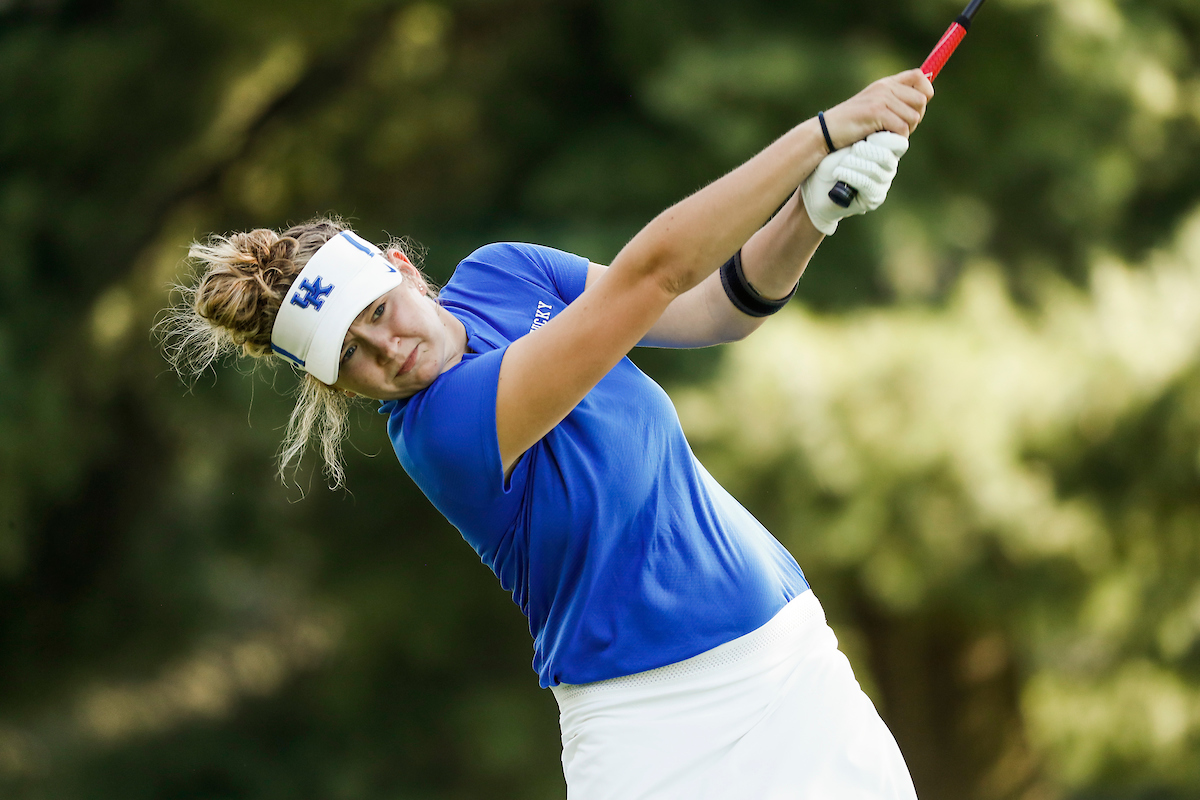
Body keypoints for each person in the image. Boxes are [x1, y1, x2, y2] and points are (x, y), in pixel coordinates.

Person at [164, 68, 934, 799]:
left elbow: (715, 308)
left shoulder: (507, 273)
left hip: (793, 662)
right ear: (333, 385)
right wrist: (824, 133)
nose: (387, 351)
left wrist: (811, 214)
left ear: (400, 267)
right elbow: (652, 275)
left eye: (376, 314)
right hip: (660, 734)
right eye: (350, 360)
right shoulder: (439, 432)